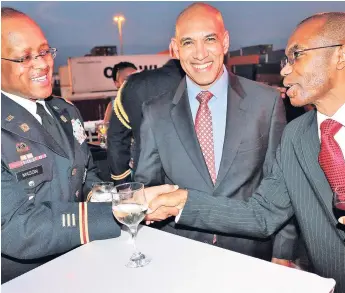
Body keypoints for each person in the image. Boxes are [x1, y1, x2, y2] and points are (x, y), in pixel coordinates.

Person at [147, 12, 345, 292]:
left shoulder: (265, 105)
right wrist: (182, 202)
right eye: (286, 59)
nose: (285, 71)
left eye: (296, 55)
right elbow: (263, 214)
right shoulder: (297, 137)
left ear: (340, 55)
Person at [0, 7, 177, 283]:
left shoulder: (64, 112)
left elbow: (86, 177)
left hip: (81, 263)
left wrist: (126, 201)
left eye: (45, 51)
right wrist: (113, 214)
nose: (42, 64)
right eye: (24, 57)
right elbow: (14, 228)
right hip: (26, 278)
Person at [135, 3, 298, 264]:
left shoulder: (265, 101)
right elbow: (148, 186)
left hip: (251, 254)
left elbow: (280, 184)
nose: (200, 53)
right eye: (188, 42)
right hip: (180, 257)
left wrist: (283, 252)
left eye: (209, 39)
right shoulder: (155, 112)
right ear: (175, 49)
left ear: (225, 42)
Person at [107, 58, 185, 184]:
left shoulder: (134, 84)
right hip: (196, 184)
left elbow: (116, 140)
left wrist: (123, 183)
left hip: (147, 178)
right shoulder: (205, 82)